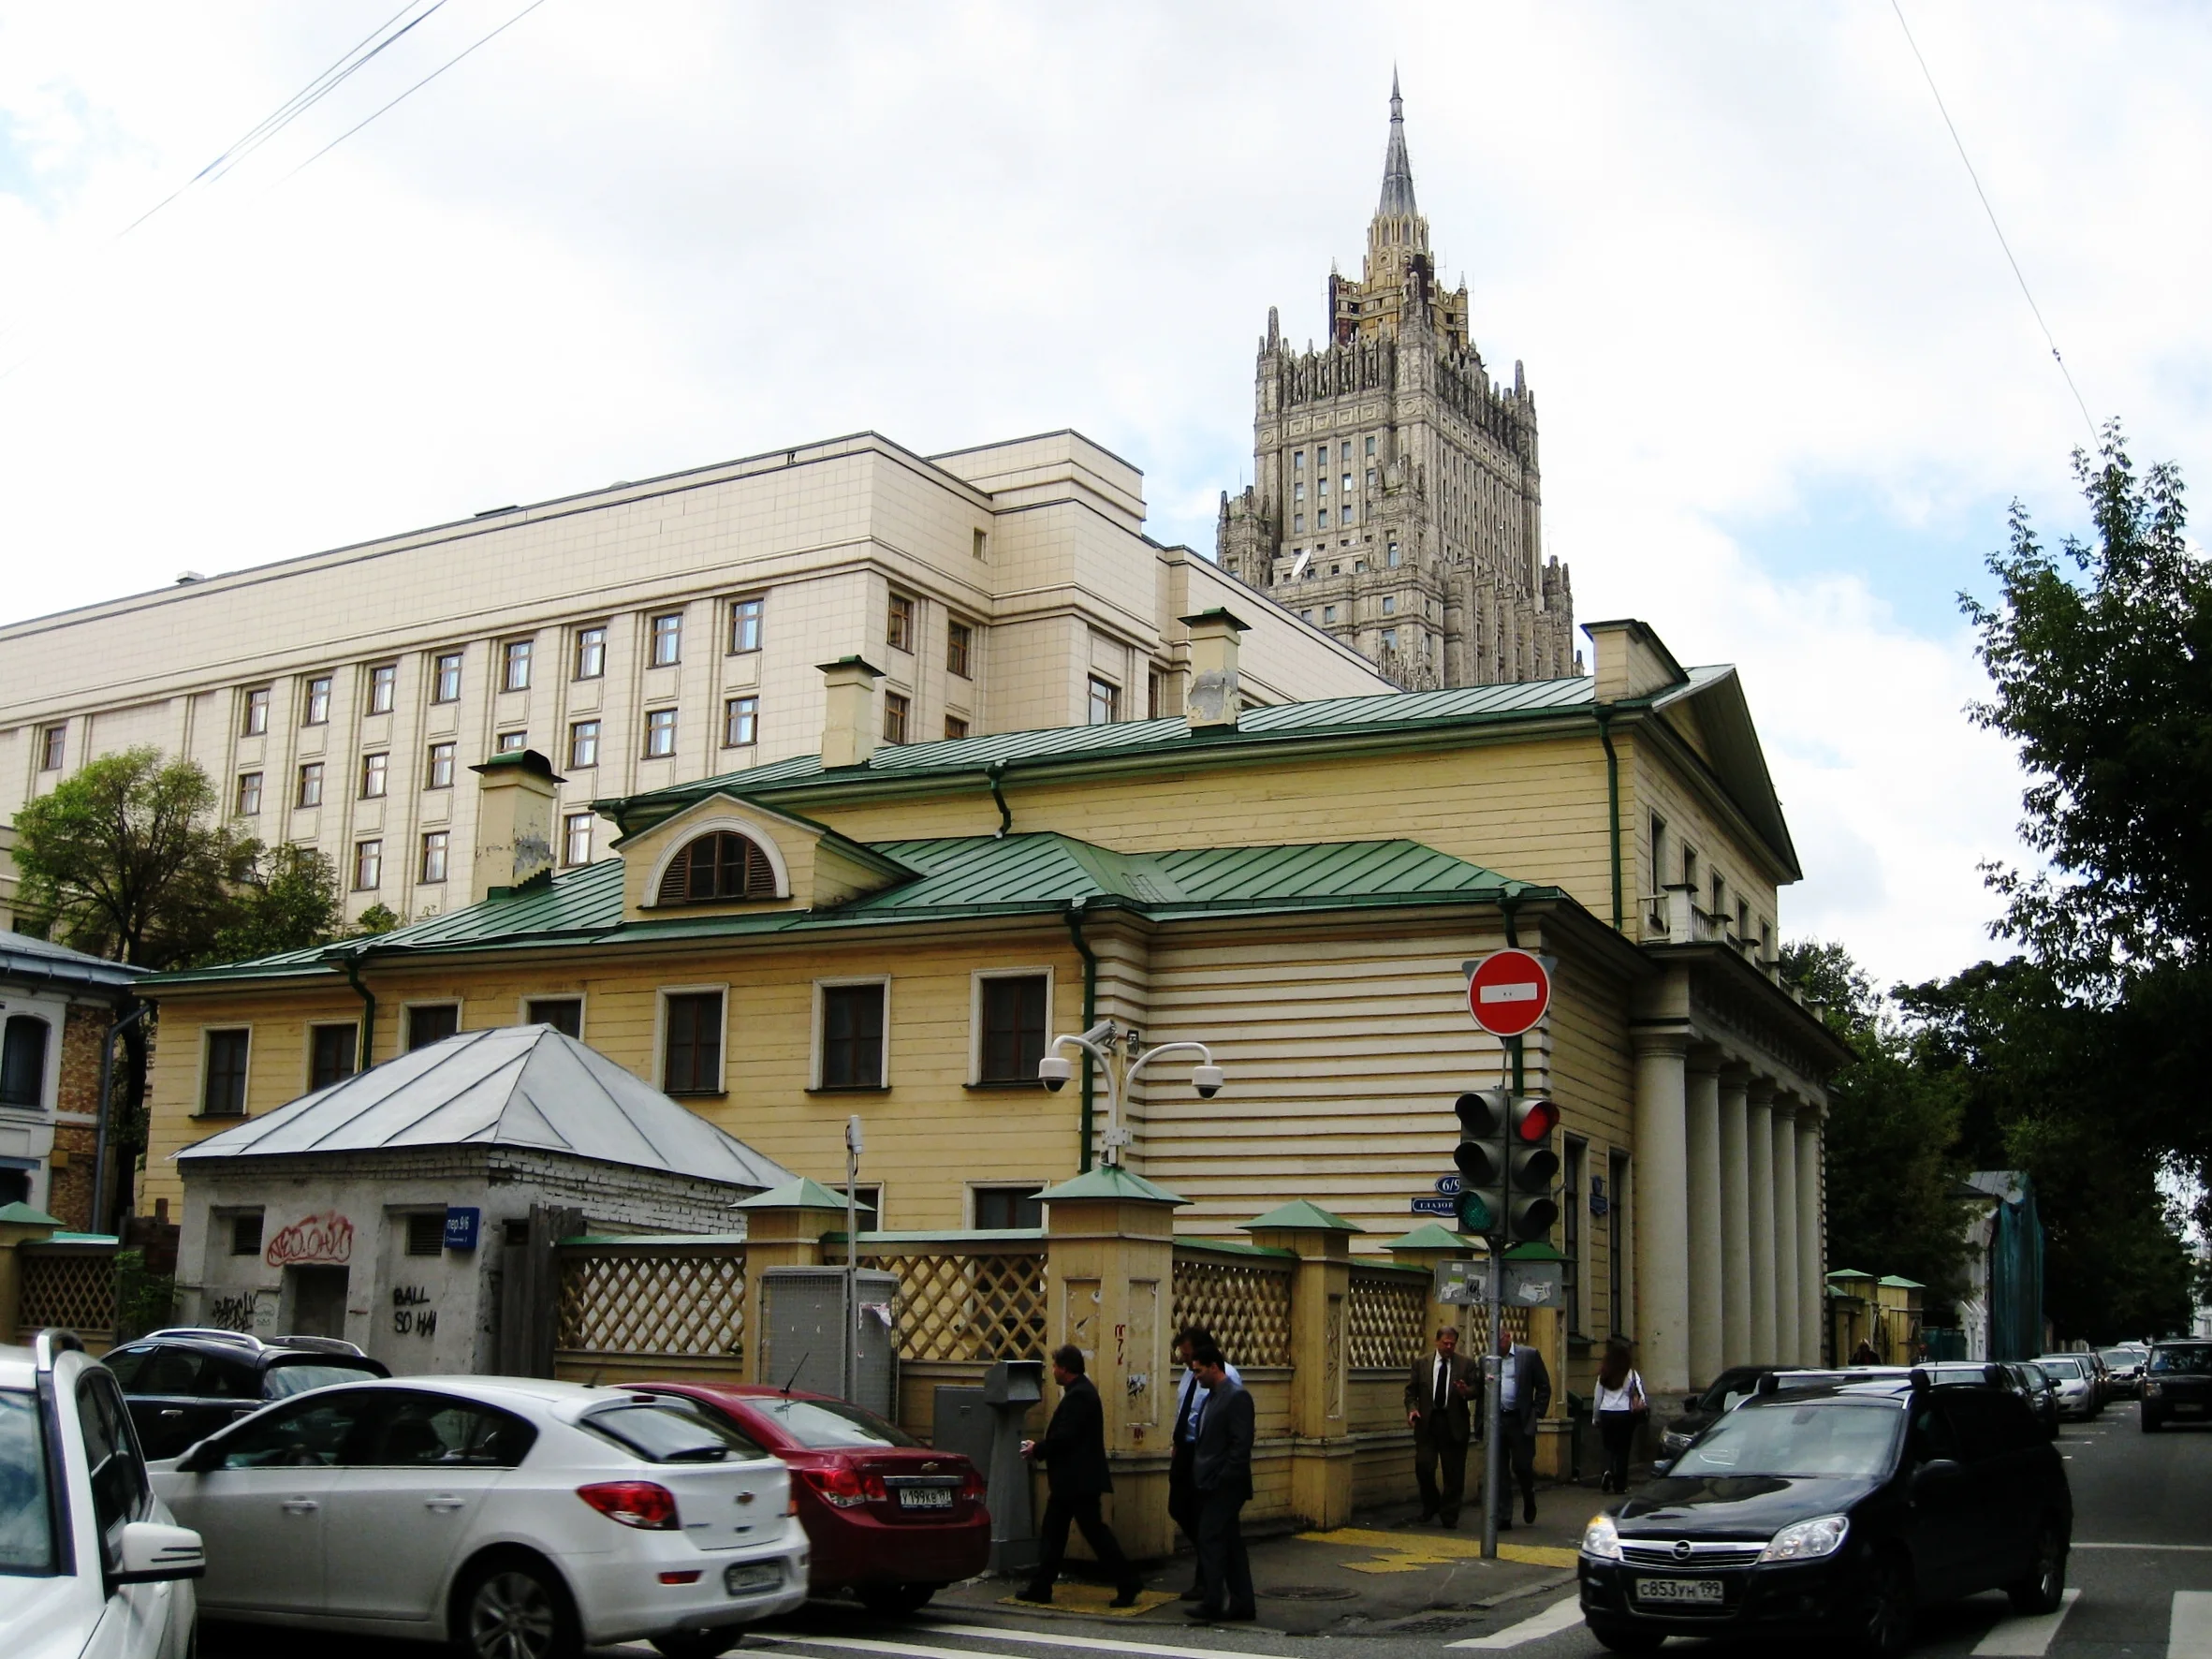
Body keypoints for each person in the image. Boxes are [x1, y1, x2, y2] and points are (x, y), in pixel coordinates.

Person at [1018, 1344, 1142, 1608]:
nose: (1052, 1371)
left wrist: (1037, 1448)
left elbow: (1065, 1437)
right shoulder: (1082, 1392)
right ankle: (1042, 1585)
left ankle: (1127, 1581)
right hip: (1074, 1480)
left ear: (1064, 1368)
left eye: (1054, 1366)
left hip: (1075, 1480)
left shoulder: (1078, 1397)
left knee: (1088, 1533)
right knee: (1058, 1531)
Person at [1184, 1338, 1256, 1622]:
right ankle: (1242, 1603)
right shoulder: (1213, 1396)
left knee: (1210, 1538)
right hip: (1212, 1481)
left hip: (1225, 1485)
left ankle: (1213, 1600)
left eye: (1199, 1371)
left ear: (1214, 1367)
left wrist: (1224, 1478)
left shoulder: (1236, 1397)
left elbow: (1241, 1444)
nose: (1196, 1376)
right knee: (1229, 1543)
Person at [1167, 1327, 1241, 1597]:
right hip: (1185, 1448)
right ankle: (1208, 1559)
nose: (1186, 1361)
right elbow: (1183, 1409)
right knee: (1179, 1507)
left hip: (1205, 1452)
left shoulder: (1227, 1377)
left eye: (1188, 1354)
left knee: (1204, 1516)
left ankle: (1208, 1578)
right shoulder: (1189, 1375)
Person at [1403, 1325, 1479, 1525]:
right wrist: (1412, 1409)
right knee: (1424, 1467)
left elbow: (1476, 1389)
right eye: (1444, 1343)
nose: (1448, 1347)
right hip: (1428, 1422)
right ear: (1437, 1342)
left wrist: (1465, 1392)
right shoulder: (1421, 1363)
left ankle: (1449, 1514)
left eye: (1451, 1344)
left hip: (1453, 1422)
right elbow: (1411, 1392)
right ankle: (1431, 1503)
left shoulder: (1466, 1365)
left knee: (1453, 1473)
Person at [1487, 1323, 1551, 1530]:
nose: (1497, 1344)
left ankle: (1528, 1496)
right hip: (1498, 1419)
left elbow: (1543, 1385)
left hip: (1520, 1420)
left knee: (1522, 1466)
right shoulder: (1488, 1360)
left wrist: (1537, 1412)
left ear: (1508, 1337)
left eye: (1501, 1339)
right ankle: (1504, 1516)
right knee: (1499, 1469)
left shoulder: (1528, 1356)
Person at [1591, 1337, 1648, 1494]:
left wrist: (1596, 1418)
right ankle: (1620, 1485)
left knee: (1608, 1446)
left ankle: (1607, 1471)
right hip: (1625, 1415)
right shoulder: (1632, 1375)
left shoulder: (1604, 1374)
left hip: (1607, 1413)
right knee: (1623, 1450)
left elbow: (1597, 1399)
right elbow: (1641, 1397)